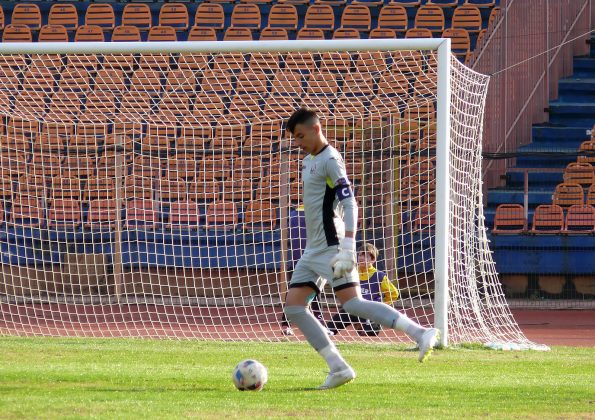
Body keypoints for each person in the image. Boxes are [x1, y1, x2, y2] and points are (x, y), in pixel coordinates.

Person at [282, 108, 439, 390]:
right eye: (295, 138)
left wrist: (347, 246)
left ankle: (420, 332)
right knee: (294, 307)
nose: (298, 143)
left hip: (332, 248)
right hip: (313, 250)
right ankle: (338, 367)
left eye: (301, 136)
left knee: (353, 304)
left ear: (316, 129)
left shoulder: (331, 160)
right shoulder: (308, 161)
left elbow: (350, 203)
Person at [326, 243, 398, 337]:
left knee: (369, 334)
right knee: (328, 329)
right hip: (352, 309)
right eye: (360, 255)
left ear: (373, 259)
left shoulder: (379, 276)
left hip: (369, 313)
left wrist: (380, 307)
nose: (361, 257)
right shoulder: (352, 272)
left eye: (365, 255)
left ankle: (367, 326)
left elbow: (394, 294)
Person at [280, 204, 329, 336]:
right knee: (300, 291)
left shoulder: (295, 215)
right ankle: (287, 323)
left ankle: (317, 322)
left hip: (308, 260)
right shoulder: (305, 215)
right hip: (306, 261)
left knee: (311, 290)